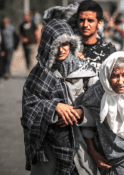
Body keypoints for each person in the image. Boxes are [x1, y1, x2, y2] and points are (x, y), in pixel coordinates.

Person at [21, 19, 100, 175]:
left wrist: (79, 114)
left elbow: (101, 108)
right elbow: (28, 110)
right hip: (47, 153)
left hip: (81, 150)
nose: (61, 50)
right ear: (46, 45)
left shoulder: (87, 72)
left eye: (65, 44)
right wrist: (54, 107)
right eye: (56, 45)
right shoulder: (37, 75)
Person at [76, 0, 116, 70]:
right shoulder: (71, 50)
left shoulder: (109, 51)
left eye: (90, 20)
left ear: (99, 23)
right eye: (82, 20)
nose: (85, 25)